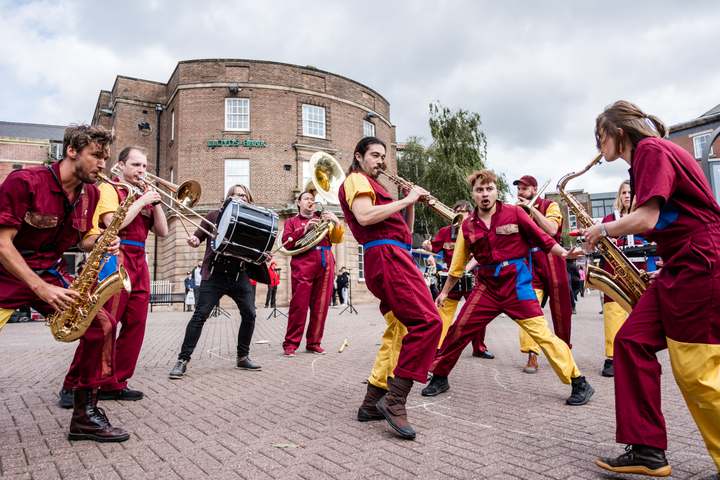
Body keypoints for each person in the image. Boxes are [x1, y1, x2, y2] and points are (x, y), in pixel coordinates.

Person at [585, 101, 720, 477]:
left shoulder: (650, 149)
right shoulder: (650, 154)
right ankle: (647, 449)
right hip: (681, 264)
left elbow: (647, 217)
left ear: (619, 132)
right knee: (630, 342)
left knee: (696, 369)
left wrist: (603, 230)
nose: (597, 145)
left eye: (600, 136)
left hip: (699, 262)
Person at [422, 169, 595, 408]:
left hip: (518, 286)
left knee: (542, 335)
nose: (485, 194)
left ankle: (578, 381)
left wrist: (564, 254)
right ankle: (440, 377)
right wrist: (443, 292)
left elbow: (544, 240)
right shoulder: (467, 227)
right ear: (473, 194)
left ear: (496, 191)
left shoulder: (516, 213)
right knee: (459, 329)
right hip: (487, 288)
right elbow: (458, 265)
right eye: (480, 190)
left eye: (489, 188)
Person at [0, 125, 129, 442]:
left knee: (102, 326)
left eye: (105, 157)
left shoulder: (93, 193)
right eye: (96, 156)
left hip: (52, 271)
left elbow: (86, 239)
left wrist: (104, 240)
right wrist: (40, 288)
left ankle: (85, 416)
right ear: (72, 151)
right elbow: (3, 244)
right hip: (7, 271)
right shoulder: (25, 182)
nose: (102, 165)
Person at [338, 136, 443, 440]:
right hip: (386, 256)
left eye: (383, 156)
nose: (380, 161)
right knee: (429, 322)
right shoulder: (356, 179)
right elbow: (364, 216)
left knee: (399, 329)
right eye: (374, 155)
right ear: (359, 157)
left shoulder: (379, 188)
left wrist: (409, 202)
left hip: (394, 252)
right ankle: (395, 400)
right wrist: (407, 199)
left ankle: (372, 403)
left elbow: (404, 232)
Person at [61, 146, 169, 406]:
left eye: (144, 166)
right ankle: (72, 384)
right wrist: (141, 201)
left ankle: (114, 382)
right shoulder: (109, 189)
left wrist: (154, 202)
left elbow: (163, 231)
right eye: (135, 165)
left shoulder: (142, 194)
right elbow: (113, 224)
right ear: (121, 166)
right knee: (104, 324)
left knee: (136, 324)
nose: (141, 171)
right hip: (115, 256)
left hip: (140, 260)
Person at [169, 185, 272, 378]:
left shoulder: (252, 221)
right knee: (199, 316)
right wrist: (193, 241)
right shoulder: (213, 215)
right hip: (214, 274)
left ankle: (242, 357)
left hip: (238, 276)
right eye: (239, 195)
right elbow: (198, 238)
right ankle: (182, 360)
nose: (243, 198)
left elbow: (254, 251)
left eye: (246, 197)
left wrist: (263, 256)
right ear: (229, 197)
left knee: (250, 314)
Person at [513, 175, 574, 374]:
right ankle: (532, 355)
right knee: (529, 308)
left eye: (524, 188)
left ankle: (564, 351)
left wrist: (532, 211)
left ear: (534, 189)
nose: (520, 192)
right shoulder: (516, 210)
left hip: (551, 257)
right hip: (529, 262)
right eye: (519, 189)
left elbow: (552, 229)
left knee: (561, 308)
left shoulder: (550, 205)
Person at [422, 200, 494, 358]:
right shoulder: (445, 231)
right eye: (456, 211)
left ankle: (479, 348)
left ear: (470, 214)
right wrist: (427, 247)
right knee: (443, 312)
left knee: (477, 314)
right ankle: (438, 348)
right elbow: (434, 248)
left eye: (463, 211)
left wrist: (466, 268)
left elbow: (484, 253)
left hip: (473, 275)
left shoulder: (476, 229)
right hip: (450, 278)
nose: (459, 214)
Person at [281, 191, 344, 356]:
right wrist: (305, 230)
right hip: (303, 264)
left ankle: (314, 343)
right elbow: (286, 244)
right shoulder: (291, 221)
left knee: (321, 305)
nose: (310, 201)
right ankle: (290, 344)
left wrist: (336, 223)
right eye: (306, 199)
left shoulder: (323, 219)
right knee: (299, 305)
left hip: (326, 261)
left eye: (312, 199)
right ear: (298, 203)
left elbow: (336, 240)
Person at [597, 180, 648, 378]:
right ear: (619, 197)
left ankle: (639, 355)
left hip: (639, 268)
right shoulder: (610, 218)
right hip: (615, 269)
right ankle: (611, 357)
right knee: (613, 312)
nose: (627, 195)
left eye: (631, 192)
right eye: (624, 192)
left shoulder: (646, 216)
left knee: (641, 312)